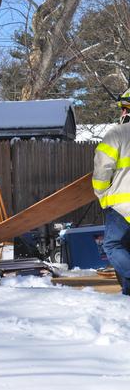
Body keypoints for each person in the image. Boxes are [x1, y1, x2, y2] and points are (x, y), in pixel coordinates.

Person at [93, 88, 130, 295]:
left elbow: (102, 168)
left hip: (122, 208)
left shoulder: (117, 133)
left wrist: (102, 194)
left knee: (113, 245)